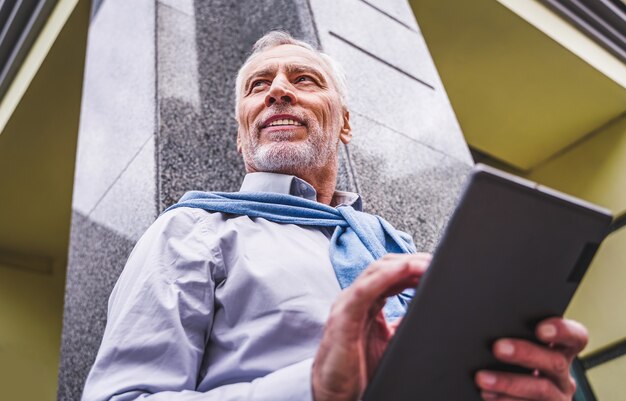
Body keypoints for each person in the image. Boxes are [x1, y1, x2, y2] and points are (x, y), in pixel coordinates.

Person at [82, 31, 586, 401]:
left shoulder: (400, 250)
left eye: (304, 79)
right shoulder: (189, 232)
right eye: (259, 86)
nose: (278, 91)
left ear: (343, 123)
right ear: (241, 136)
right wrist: (313, 388)